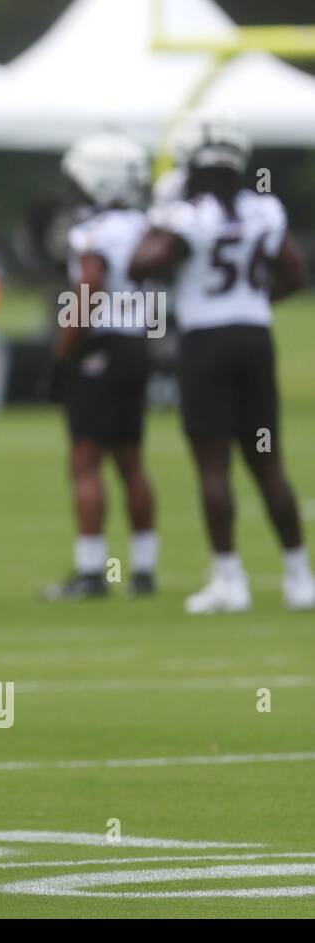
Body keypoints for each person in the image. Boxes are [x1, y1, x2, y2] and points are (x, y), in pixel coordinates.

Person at [130, 117, 314, 612]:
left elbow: (141, 264)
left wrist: (161, 216)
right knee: (269, 462)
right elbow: (294, 274)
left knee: (214, 464)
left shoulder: (190, 215)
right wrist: (251, 302)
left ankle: (229, 580)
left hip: (206, 342)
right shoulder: (266, 209)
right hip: (254, 338)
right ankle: (300, 577)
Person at [44, 133, 158, 600]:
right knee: (131, 461)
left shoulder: (94, 232)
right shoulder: (152, 226)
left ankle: (92, 572)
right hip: (136, 346)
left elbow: (88, 289)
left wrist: (63, 351)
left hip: (99, 349)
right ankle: (144, 570)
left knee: (86, 461)